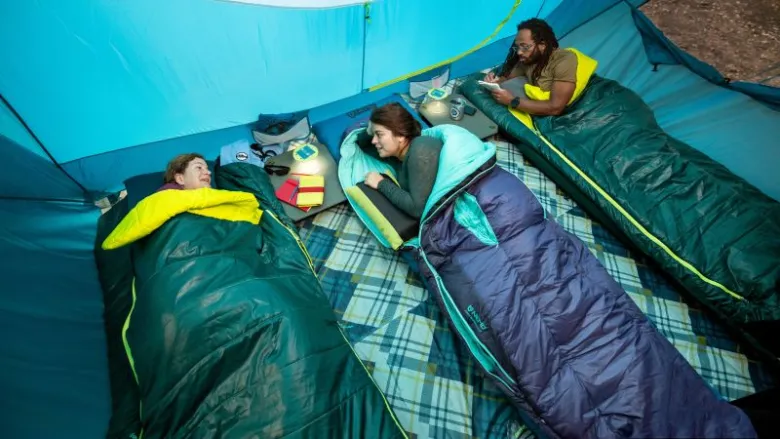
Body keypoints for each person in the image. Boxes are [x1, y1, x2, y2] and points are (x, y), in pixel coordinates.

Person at [360, 102, 442, 219]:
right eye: (373, 135)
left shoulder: (421, 149)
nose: (374, 140)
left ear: (401, 135)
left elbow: (417, 209)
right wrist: (370, 129)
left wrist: (381, 183)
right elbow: (362, 144)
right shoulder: (397, 157)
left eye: (379, 135)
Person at [484, 18, 577, 116]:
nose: (519, 52)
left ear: (543, 44)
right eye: (517, 47)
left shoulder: (564, 61)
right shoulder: (528, 59)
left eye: (525, 46)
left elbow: (556, 108)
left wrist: (512, 101)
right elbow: (506, 79)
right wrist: (494, 82)